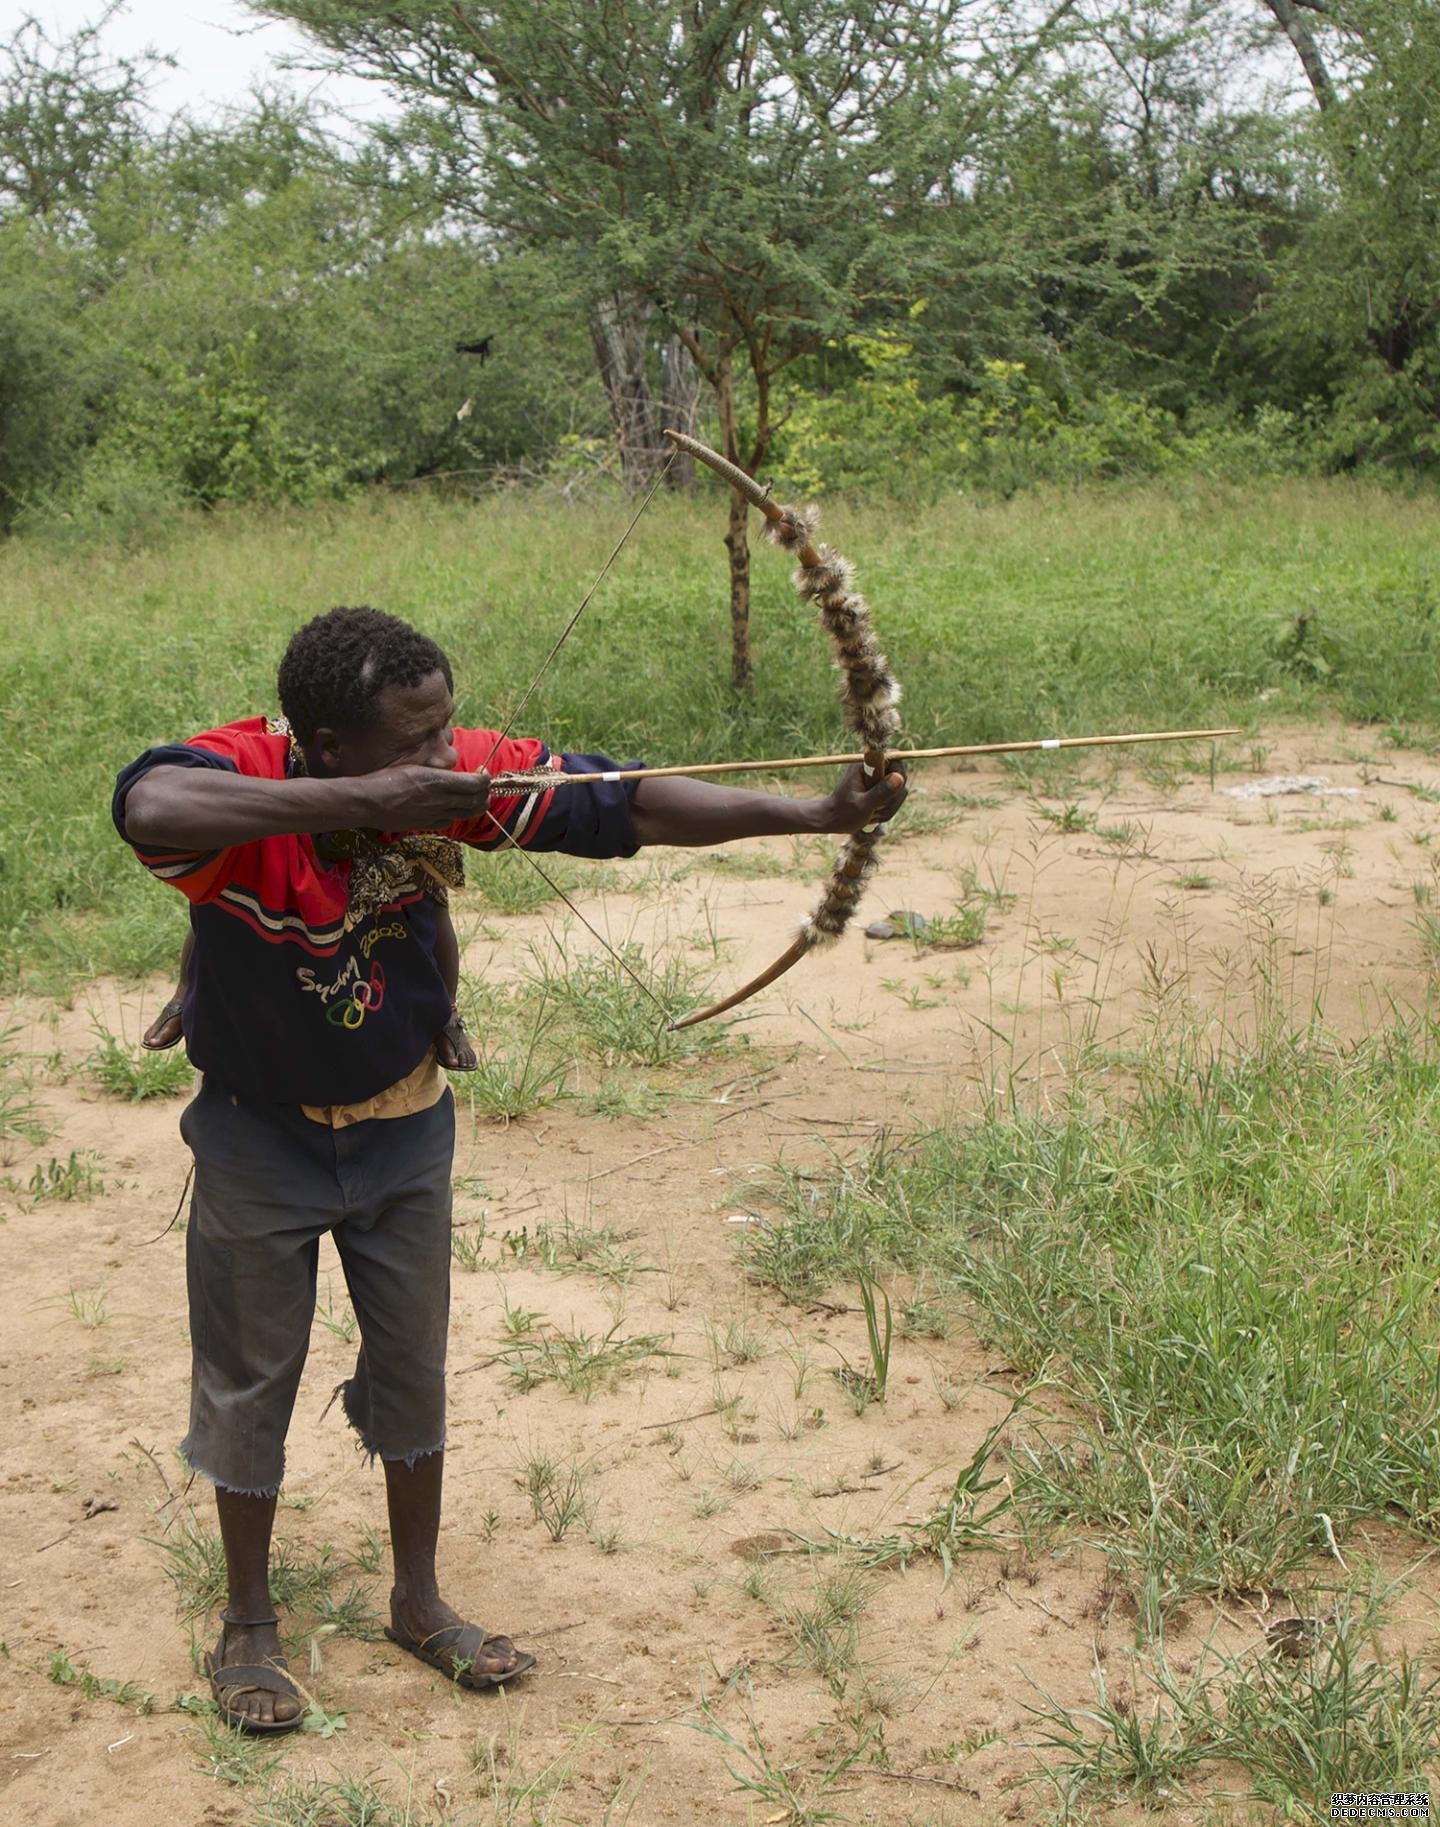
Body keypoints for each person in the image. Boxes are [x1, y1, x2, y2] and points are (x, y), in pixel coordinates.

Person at [113, 604, 906, 1735]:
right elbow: (147, 803)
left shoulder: (459, 775)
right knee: (249, 1381)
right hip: (258, 1135)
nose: (447, 760)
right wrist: (367, 806)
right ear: (329, 746)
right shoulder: (243, 779)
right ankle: (248, 1623)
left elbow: (626, 799)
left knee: (412, 1366)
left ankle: (419, 1601)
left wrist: (816, 813)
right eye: (413, 742)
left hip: (405, 1129)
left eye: (449, 730)